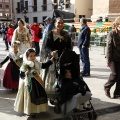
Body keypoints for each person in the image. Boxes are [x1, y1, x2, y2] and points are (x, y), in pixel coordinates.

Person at [14, 48, 54, 116]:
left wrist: (51, 60)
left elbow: (43, 65)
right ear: (27, 56)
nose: (33, 57)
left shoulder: (36, 62)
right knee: (30, 98)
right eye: (31, 56)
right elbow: (21, 74)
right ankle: (30, 110)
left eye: (34, 55)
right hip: (28, 84)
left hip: (36, 82)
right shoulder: (25, 64)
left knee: (38, 96)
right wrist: (25, 73)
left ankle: (38, 109)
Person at [40, 17, 72, 95]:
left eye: (61, 23)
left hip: (62, 58)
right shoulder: (50, 33)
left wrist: (66, 56)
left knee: (62, 75)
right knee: (51, 76)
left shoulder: (66, 34)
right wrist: (51, 52)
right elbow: (46, 46)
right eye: (58, 23)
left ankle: (61, 92)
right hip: (51, 58)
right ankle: (51, 94)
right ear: (55, 24)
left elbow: (69, 48)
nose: (60, 24)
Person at [104, 16, 120, 99]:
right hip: (113, 58)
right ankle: (107, 87)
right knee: (115, 74)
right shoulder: (112, 33)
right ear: (117, 25)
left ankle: (117, 93)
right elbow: (109, 47)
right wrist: (108, 60)